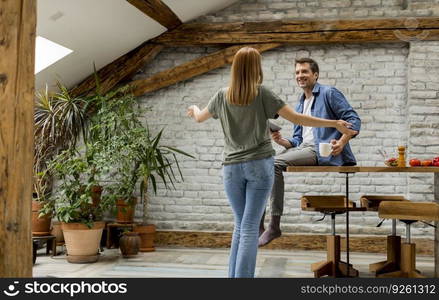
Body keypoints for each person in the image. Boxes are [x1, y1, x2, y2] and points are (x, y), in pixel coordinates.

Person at [186, 48, 356, 278]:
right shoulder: (262, 93)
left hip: (231, 168)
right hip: (259, 166)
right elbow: (297, 119)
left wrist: (195, 108)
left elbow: (199, 117)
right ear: (257, 68)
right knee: (248, 229)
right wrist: (334, 123)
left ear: (235, 68)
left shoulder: (221, 95)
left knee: (240, 226)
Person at [258, 57, 361, 247]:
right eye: (297, 72)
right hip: (305, 148)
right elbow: (298, 140)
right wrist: (283, 141)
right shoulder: (300, 103)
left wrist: (341, 141)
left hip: (322, 151)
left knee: (272, 164)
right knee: (262, 163)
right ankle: (259, 224)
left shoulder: (329, 93)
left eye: (304, 72)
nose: (300, 76)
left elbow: (354, 121)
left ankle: (274, 225)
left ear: (315, 75)